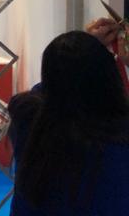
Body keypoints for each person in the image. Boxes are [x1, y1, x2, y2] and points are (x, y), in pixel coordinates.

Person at [7, 30, 129, 216]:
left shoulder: (28, 121)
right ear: (110, 77)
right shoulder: (118, 140)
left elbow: (55, 87)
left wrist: (79, 48)